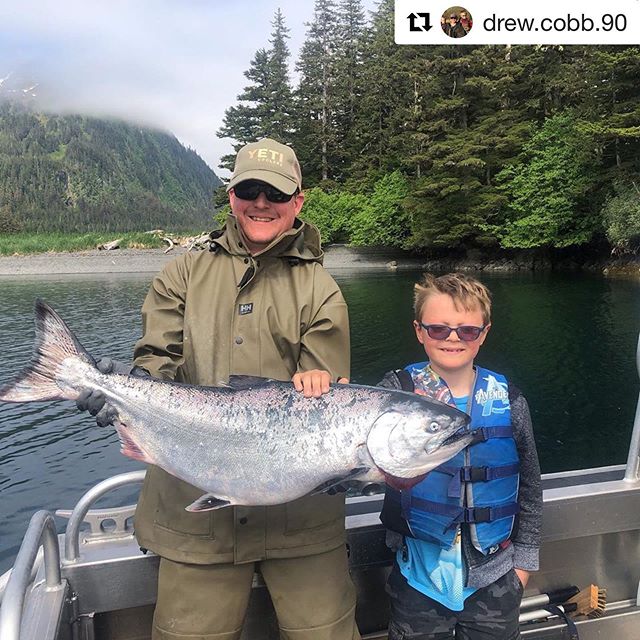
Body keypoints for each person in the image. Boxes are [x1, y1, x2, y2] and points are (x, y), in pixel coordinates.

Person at [78, 138, 359, 640]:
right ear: (231, 196)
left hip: (303, 525)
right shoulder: (182, 273)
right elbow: (154, 366)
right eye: (248, 189)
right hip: (192, 517)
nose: (261, 203)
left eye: (274, 193)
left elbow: (328, 399)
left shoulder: (322, 291)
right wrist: (123, 395)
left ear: (297, 202)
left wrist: (320, 386)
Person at [378, 273, 542, 640]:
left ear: (483, 334)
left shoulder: (509, 399)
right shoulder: (394, 393)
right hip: (417, 580)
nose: (453, 338)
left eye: (467, 331)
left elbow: (530, 484)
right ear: (419, 331)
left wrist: (524, 563)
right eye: (438, 329)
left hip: (496, 578)